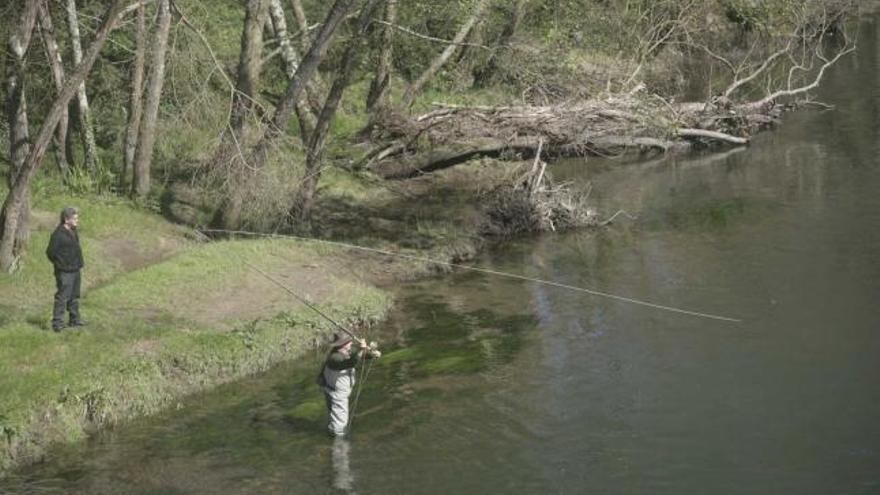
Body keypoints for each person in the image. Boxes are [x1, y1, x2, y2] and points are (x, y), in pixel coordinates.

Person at [318, 332, 381, 437]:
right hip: (337, 393)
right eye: (348, 341)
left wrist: (371, 354)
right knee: (340, 423)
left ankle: (331, 434)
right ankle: (339, 444)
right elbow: (350, 362)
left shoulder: (346, 350)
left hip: (330, 388)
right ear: (342, 344)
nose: (351, 342)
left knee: (333, 415)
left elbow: (357, 356)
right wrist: (361, 350)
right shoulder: (334, 358)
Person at [46, 207, 85, 332]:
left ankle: (74, 320)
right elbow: (50, 252)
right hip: (64, 271)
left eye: (77, 218)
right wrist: (60, 264)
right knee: (62, 296)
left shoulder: (74, 231)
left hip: (75, 269)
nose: (77, 220)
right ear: (66, 219)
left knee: (74, 295)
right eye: (74, 218)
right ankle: (57, 323)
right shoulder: (58, 234)